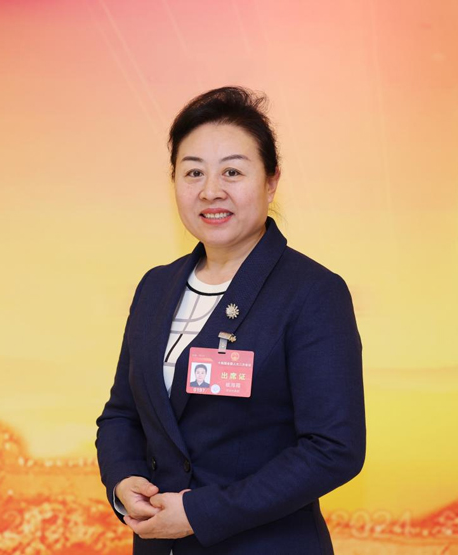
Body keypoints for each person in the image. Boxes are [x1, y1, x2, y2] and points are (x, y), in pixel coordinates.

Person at [95, 86, 366, 555]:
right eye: (193, 172)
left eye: (233, 172)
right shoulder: (155, 287)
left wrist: (200, 512)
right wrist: (123, 481)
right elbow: (122, 413)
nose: (210, 191)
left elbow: (333, 448)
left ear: (271, 182)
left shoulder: (311, 292)